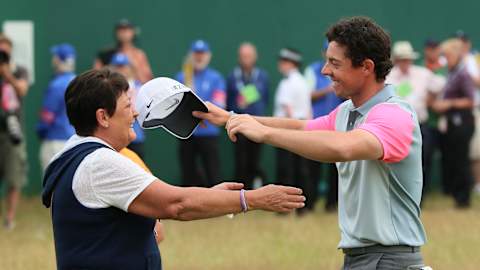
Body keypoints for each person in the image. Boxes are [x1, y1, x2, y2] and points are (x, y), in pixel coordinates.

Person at [195, 16, 428, 269]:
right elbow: (302, 126)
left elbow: (343, 147)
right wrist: (230, 117)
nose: (325, 71)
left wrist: (264, 134)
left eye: (334, 63)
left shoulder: (394, 114)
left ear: (366, 67)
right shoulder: (347, 112)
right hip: (360, 258)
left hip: (390, 260)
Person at [41, 68, 305, 270]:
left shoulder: (74, 154)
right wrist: (254, 198)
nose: (134, 114)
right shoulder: (100, 163)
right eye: (127, 106)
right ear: (103, 117)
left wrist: (211, 196)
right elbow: (176, 204)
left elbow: (144, 208)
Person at [386, 40, 445, 198]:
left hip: (419, 124)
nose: (405, 62)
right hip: (397, 127)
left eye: (407, 59)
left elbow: (440, 85)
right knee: (397, 162)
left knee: (423, 160)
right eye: (402, 59)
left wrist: (429, 100)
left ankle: (420, 196)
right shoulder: (389, 76)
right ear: (396, 60)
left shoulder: (422, 73)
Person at [431, 38, 476, 208]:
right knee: (454, 160)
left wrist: (448, 104)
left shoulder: (463, 74)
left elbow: (471, 101)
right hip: (451, 122)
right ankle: (457, 196)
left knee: (461, 160)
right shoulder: (449, 72)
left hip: (462, 122)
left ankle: (463, 199)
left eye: (447, 55)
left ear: (456, 55)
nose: (445, 58)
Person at [175, 40, 226, 187]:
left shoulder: (216, 78)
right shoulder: (181, 77)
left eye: (202, 53)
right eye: (196, 53)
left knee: (213, 173)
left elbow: (219, 104)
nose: (199, 57)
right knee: (188, 173)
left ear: (208, 56)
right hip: (186, 132)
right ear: (191, 55)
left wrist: (195, 102)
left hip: (209, 133)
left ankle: (218, 206)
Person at [304, 40, 342, 212]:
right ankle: (310, 203)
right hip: (317, 126)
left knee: (337, 169)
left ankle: (332, 204)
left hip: (338, 127)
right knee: (313, 167)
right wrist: (326, 91)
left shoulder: (344, 71)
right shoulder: (313, 70)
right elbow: (307, 95)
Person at [273, 47, 312, 214]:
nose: (280, 65)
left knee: (286, 169)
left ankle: (284, 207)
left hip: (287, 130)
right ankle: (303, 206)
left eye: (283, 61)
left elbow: (288, 110)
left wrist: (287, 132)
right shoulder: (303, 81)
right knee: (300, 169)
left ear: (290, 63)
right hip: (303, 129)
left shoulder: (287, 83)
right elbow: (308, 110)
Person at [226, 42, 269, 189]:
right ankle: (240, 191)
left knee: (254, 160)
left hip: (257, 124)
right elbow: (229, 102)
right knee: (240, 160)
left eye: (249, 56)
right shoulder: (233, 77)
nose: (246, 59)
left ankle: (253, 188)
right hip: (238, 126)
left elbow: (265, 98)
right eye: (243, 56)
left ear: (255, 57)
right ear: (239, 58)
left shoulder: (262, 76)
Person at [0, 33, 30, 230]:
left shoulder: (19, 71)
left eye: (4, 50)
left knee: (14, 178)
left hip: (12, 133)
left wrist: (6, 74)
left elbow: (22, 90)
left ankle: (9, 219)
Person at [36, 43, 76, 172]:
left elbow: (47, 117)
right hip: (75, 141)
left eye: (55, 56)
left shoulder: (56, 85)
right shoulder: (78, 81)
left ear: (60, 60)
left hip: (55, 142)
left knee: (52, 188)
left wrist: (41, 130)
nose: (53, 59)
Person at [93, 19, 152, 84]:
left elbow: (147, 80)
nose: (124, 33)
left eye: (127, 30)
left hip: (133, 90)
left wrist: (134, 66)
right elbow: (96, 78)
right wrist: (111, 69)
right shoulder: (105, 53)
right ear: (116, 33)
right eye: (121, 30)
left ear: (133, 32)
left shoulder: (139, 54)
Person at [109, 53, 146, 158]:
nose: (121, 70)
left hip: (135, 138)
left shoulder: (140, 88)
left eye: (123, 66)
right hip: (114, 139)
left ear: (130, 68)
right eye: (118, 67)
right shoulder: (107, 90)